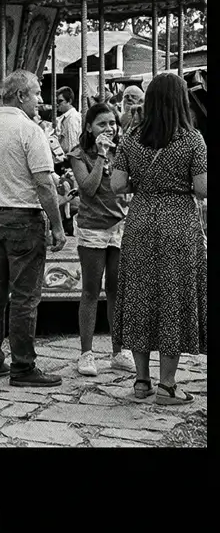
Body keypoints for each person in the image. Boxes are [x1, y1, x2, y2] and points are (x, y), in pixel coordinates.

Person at [111, 72, 206, 404]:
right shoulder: (193, 140)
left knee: (139, 296)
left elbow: (118, 185)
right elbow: (202, 189)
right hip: (178, 225)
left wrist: (146, 186)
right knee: (172, 300)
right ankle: (167, 386)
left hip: (139, 224)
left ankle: (141, 381)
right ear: (181, 100)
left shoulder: (131, 139)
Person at [0, 70, 65, 388]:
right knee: (24, 295)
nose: (40, 100)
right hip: (23, 218)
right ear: (21, 95)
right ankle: (23, 366)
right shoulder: (30, 130)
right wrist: (58, 226)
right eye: (36, 93)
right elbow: (44, 183)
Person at [67, 103, 136, 376]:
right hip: (92, 228)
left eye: (112, 124)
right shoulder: (79, 154)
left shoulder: (122, 152)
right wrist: (101, 156)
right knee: (91, 290)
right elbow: (89, 188)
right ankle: (86, 353)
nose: (109, 129)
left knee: (117, 290)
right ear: (88, 127)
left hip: (119, 225)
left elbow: (127, 184)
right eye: (102, 124)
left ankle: (119, 350)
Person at [54, 86, 81, 160]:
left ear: (69, 101)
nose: (57, 104)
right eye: (56, 101)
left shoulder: (72, 119)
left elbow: (72, 145)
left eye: (60, 101)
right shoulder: (65, 118)